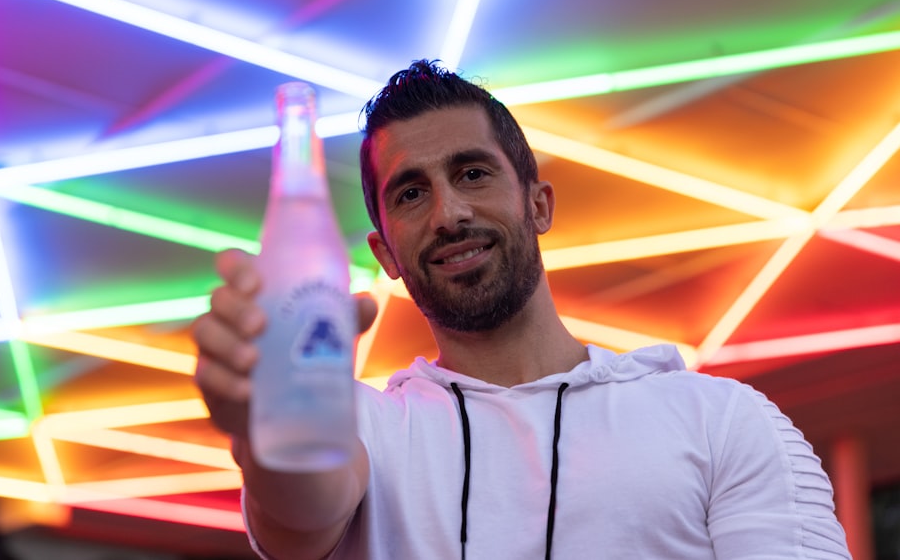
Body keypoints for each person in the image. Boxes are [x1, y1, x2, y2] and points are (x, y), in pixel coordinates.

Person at [193, 59, 851, 559]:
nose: (448, 213)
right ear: (385, 252)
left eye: (473, 173)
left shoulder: (719, 420)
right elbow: (301, 509)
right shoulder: (368, 426)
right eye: (411, 193)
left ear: (538, 204)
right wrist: (266, 427)